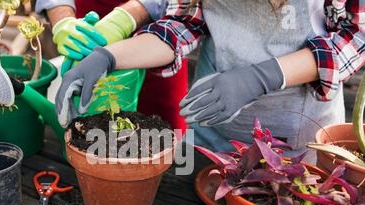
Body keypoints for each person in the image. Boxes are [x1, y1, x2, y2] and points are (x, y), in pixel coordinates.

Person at [56, 0, 365, 161]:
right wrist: (109, 56)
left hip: (296, 142)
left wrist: (264, 76)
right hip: (212, 135)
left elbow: (357, 35)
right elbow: (180, 23)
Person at [35, 0, 188, 131]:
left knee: (165, 139)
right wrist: (63, 21)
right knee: (88, 131)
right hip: (87, 33)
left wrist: (125, 18)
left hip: (158, 43)